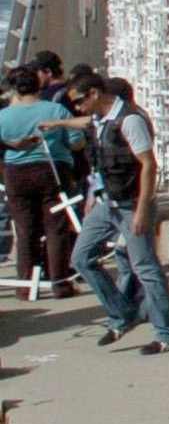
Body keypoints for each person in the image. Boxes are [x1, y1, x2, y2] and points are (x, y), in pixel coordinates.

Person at [45, 73, 169, 352]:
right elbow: (85, 126)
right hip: (105, 202)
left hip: (131, 204)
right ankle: (123, 313)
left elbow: (148, 164)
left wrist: (143, 209)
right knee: (82, 258)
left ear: (95, 94)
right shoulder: (100, 119)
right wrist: (57, 123)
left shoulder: (130, 120)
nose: (78, 107)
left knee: (145, 267)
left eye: (79, 101)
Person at [0, 67, 84, 298]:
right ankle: (60, 283)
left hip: (16, 173)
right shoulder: (56, 110)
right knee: (56, 228)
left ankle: (26, 287)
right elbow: (77, 142)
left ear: (14, 89)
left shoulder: (3, 116)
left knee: (26, 230)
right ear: (39, 85)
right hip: (53, 170)